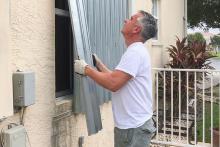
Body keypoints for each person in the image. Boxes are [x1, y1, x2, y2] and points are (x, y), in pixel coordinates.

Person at [74, 10, 157, 147]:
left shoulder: (135, 52)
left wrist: (86, 69)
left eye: (131, 19)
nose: (125, 20)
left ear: (136, 29)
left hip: (133, 129)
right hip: (134, 126)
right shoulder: (137, 50)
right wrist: (99, 65)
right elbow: (118, 79)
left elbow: (113, 83)